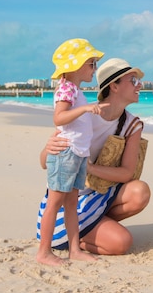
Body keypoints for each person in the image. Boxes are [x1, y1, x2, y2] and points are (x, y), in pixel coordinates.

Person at [37, 58, 151, 260]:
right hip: (73, 198)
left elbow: (127, 173)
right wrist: (48, 148)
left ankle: (93, 228)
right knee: (121, 243)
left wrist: (88, 167)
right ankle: (75, 239)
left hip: (101, 194)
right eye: (132, 80)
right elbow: (45, 162)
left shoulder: (132, 124)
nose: (139, 85)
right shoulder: (84, 113)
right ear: (114, 86)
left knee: (140, 191)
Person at [37, 38, 105, 266]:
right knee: (55, 202)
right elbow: (59, 117)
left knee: (71, 204)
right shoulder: (66, 88)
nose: (94, 70)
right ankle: (44, 252)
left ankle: (74, 249)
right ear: (76, 65)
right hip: (66, 153)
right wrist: (85, 108)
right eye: (91, 64)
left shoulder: (76, 90)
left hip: (78, 154)